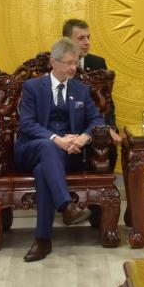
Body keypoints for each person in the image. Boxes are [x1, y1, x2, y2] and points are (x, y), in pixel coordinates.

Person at [16, 37, 105, 261]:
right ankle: (66, 205)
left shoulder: (81, 90)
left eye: (75, 62)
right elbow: (27, 124)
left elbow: (96, 120)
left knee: (42, 171)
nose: (73, 68)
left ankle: (43, 240)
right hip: (32, 149)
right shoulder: (33, 87)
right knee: (48, 146)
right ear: (53, 62)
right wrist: (56, 138)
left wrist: (83, 138)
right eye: (68, 63)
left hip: (68, 155)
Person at [61, 18, 121, 224]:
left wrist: (109, 128)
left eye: (88, 38)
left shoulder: (97, 63)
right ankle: (69, 205)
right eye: (81, 38)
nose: (87, 42)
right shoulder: (54, 63)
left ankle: (98, 209)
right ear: (67, 41)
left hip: (93, 126)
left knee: (109, 148)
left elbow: (107, 102)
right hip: (65, 128)